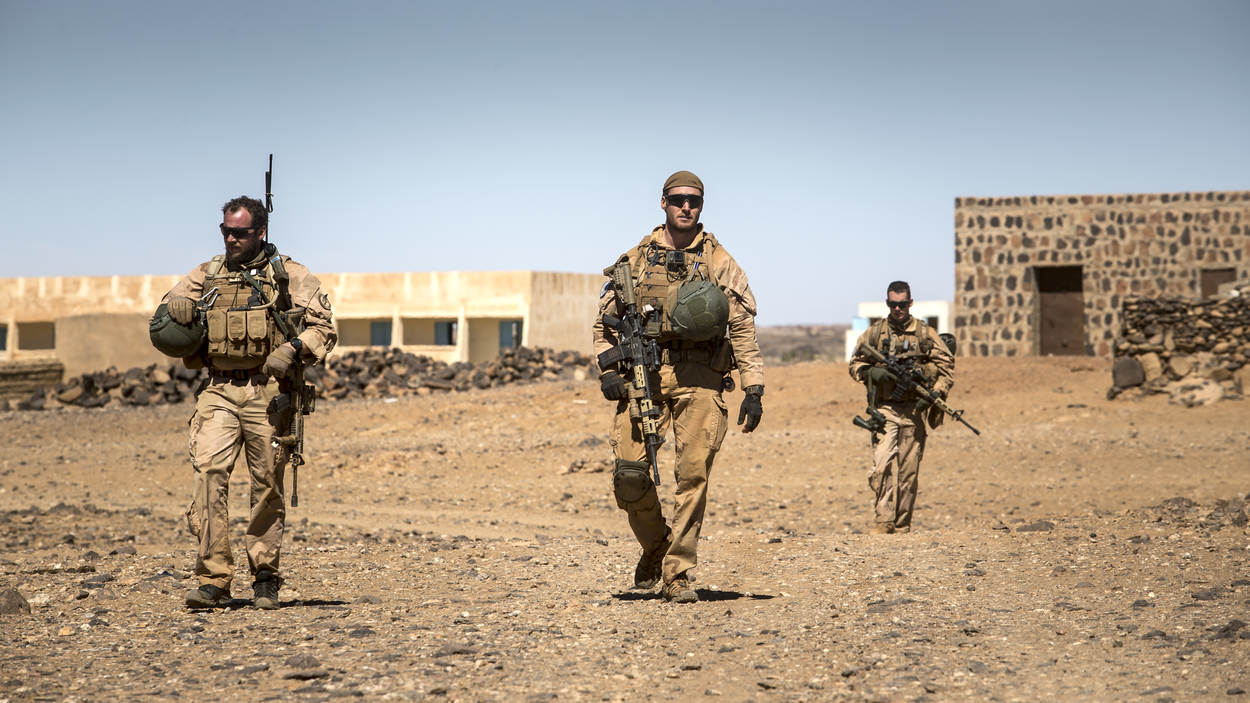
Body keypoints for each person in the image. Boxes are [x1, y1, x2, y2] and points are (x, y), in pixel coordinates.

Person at [593, 170, 764, 603]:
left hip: (701, 379)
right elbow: (603, 325)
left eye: (694, 201)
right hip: (644, 378)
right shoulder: (635, 259)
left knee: (692, 476)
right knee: (629, 476)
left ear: (701, 206)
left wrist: (753, 387)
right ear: (663, 203)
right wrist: (608, 371)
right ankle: (656, 544)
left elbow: (742, 327)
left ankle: (678, 573)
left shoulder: (719, 260)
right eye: (678, 199)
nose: (686, 207)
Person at [159, 196, 336, 609]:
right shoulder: (208, 273)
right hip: (219, 390)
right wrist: (175, 306)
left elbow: (324, 328)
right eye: (226, 231)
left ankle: (265, 576)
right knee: (209, 474)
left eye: (239, 233)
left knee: (267, 483)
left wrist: (293, 349)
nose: (231, 239)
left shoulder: (289, 275)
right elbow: (167, 313)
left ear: (261, 231)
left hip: (268, 392)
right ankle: (214, 579)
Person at [847, 281, 954, 533]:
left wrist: (934, 393)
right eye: (893, 304)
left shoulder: (925, 334)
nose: (898, 309)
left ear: (910, 303)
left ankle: (902, 524)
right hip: (885, 408)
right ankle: (884, 521)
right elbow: (855, 363)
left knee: (908, 472)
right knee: (881, 464)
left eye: (902, 304)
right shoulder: (875, 333)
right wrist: (871, 373)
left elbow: (946, 368)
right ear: (887, 304)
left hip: (914, 410)